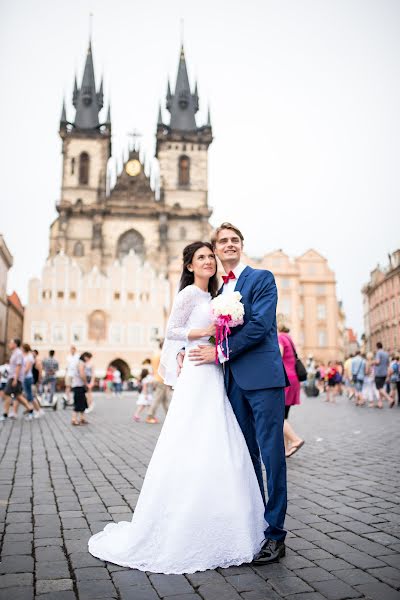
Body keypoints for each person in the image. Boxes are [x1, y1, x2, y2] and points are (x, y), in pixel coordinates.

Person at [88, 238, 270, 573]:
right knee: (192, 435)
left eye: (209, 257)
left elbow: (221, 334)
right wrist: (206, 331)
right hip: (197, 373)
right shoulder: (188, 294)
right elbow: (172, 331)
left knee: (218, 436)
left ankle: (221, 514)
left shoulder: (215, 297)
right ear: (189, 265)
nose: (208, 262)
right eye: (201, 258)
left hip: (213, 370)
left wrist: (218, 335)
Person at [187, 223, 288, 564]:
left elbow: (259, 326)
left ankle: (275, 533)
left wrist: (219, 353)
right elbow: (213, 332)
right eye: (223, 241)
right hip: (231, 384)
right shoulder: (217, 293)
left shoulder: (262, 278)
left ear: (242, 245)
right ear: (215, 249)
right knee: (245, 460)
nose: (229, 244)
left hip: (262, 379)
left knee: (272, 457)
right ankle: (253, 526)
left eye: (235, 240)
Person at [277, 324, 304, 458]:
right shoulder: (289, 337)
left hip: (285, 379)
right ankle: (286, 449)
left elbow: (278, 357)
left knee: (277, 414)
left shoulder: (280, 337)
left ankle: (295, 440)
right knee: (284, 415)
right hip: (294, 379)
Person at [0, 339, 34, 421]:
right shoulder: (15, 352)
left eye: (10, 343)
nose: (9, 344)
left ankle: (5, 413)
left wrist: (15, 378)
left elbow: (18, 366)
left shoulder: (18, 353)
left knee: (7, 394)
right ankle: (30, 409)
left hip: (14, 377)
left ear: (15, 344)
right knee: (18, 396)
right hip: (14, 377)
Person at [146, 340, 172, 424]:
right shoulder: (163, 355)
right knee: (158, 399)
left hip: (157, 378)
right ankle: (150, 415)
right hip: (161, 379)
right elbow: (166, 369)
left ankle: (170, 416)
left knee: (165, 399)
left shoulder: (156, 354)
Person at [71, 352, 92, 426]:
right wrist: (86, 383)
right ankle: (74, 419)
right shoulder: (81, 363)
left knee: (83, 403)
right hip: (78, 385)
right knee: (78, 403)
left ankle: (82, 419)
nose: (89, 360)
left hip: (80, 385)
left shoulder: (80, 362)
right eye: (89, 358)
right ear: (85, 356)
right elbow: (82, 374)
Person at [373, 342, 393, 407]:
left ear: (377, 347)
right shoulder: (386, 353)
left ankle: (390, 399)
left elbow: (378, 362)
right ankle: (380, 403)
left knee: (379, 388)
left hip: (379, 373)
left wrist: (373, 362)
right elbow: (388, 364)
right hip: (384, 373)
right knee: (381, 388)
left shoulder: (378, 353)